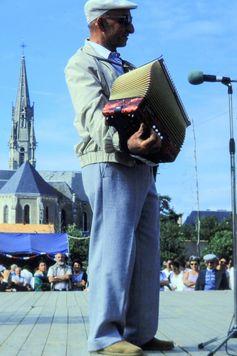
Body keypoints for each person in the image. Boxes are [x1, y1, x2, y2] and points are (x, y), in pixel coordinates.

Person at [65, 0, 174, 355]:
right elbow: (92, 118)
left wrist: (157, 140)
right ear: (100, 23)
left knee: (146, 253)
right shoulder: (81, 63)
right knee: (111, 251)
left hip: (141, 165)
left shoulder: (126, 67)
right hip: (109, 162)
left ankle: (140, 332)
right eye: (124, 21)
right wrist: (125, 141)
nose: (131, 28)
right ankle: (105, 337)